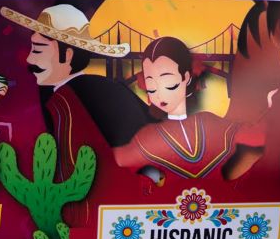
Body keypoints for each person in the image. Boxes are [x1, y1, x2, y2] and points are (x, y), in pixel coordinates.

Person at [1, 3, 150, 225]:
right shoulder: (76, 92)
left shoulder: (77, 99)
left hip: (110, 221)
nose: (30, 60)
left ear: (67, 54)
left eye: (39, 50)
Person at [112, 36, 265, 185]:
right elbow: (119, 159)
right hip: (168, 204)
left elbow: (255, 137)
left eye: (170, 85)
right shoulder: (147, 137)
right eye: (152, 88)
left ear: (186, 77)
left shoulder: (210, 123)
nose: (159, 95)